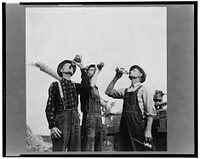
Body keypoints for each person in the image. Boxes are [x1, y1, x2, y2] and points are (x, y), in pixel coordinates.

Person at [105, 65, 156, 151]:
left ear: (140, 75)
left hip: (138, 127)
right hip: (124, 127)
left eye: (134, 70)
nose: (131, 71)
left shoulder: (144, 89)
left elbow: (150, 112)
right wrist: (116, 77)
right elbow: (108, 91)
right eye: (131, 70)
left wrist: (148, 130)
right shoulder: (125, 91)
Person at [45, 57, 92, 151]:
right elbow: (50, 107)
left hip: (75, 118)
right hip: (61, 118)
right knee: (59, 150)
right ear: (61, 70)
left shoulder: (75, 86)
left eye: (71, 66)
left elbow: (87, 87)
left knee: (75, 150)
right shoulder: (55, 85)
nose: (70, 66)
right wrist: (52, 126)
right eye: (67, 65)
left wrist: (81, 67)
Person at [80, 64, 108, 151]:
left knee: (98, 145)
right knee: (89, 144)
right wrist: (97, 71)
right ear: (86, 73)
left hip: (98, 118)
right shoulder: (84, 85)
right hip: (90, 117)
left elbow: (102, 102)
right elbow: (90, 85)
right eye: (91, 70)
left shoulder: (96, 88)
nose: (94, 71)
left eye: (94, 70)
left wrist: (106, 106)